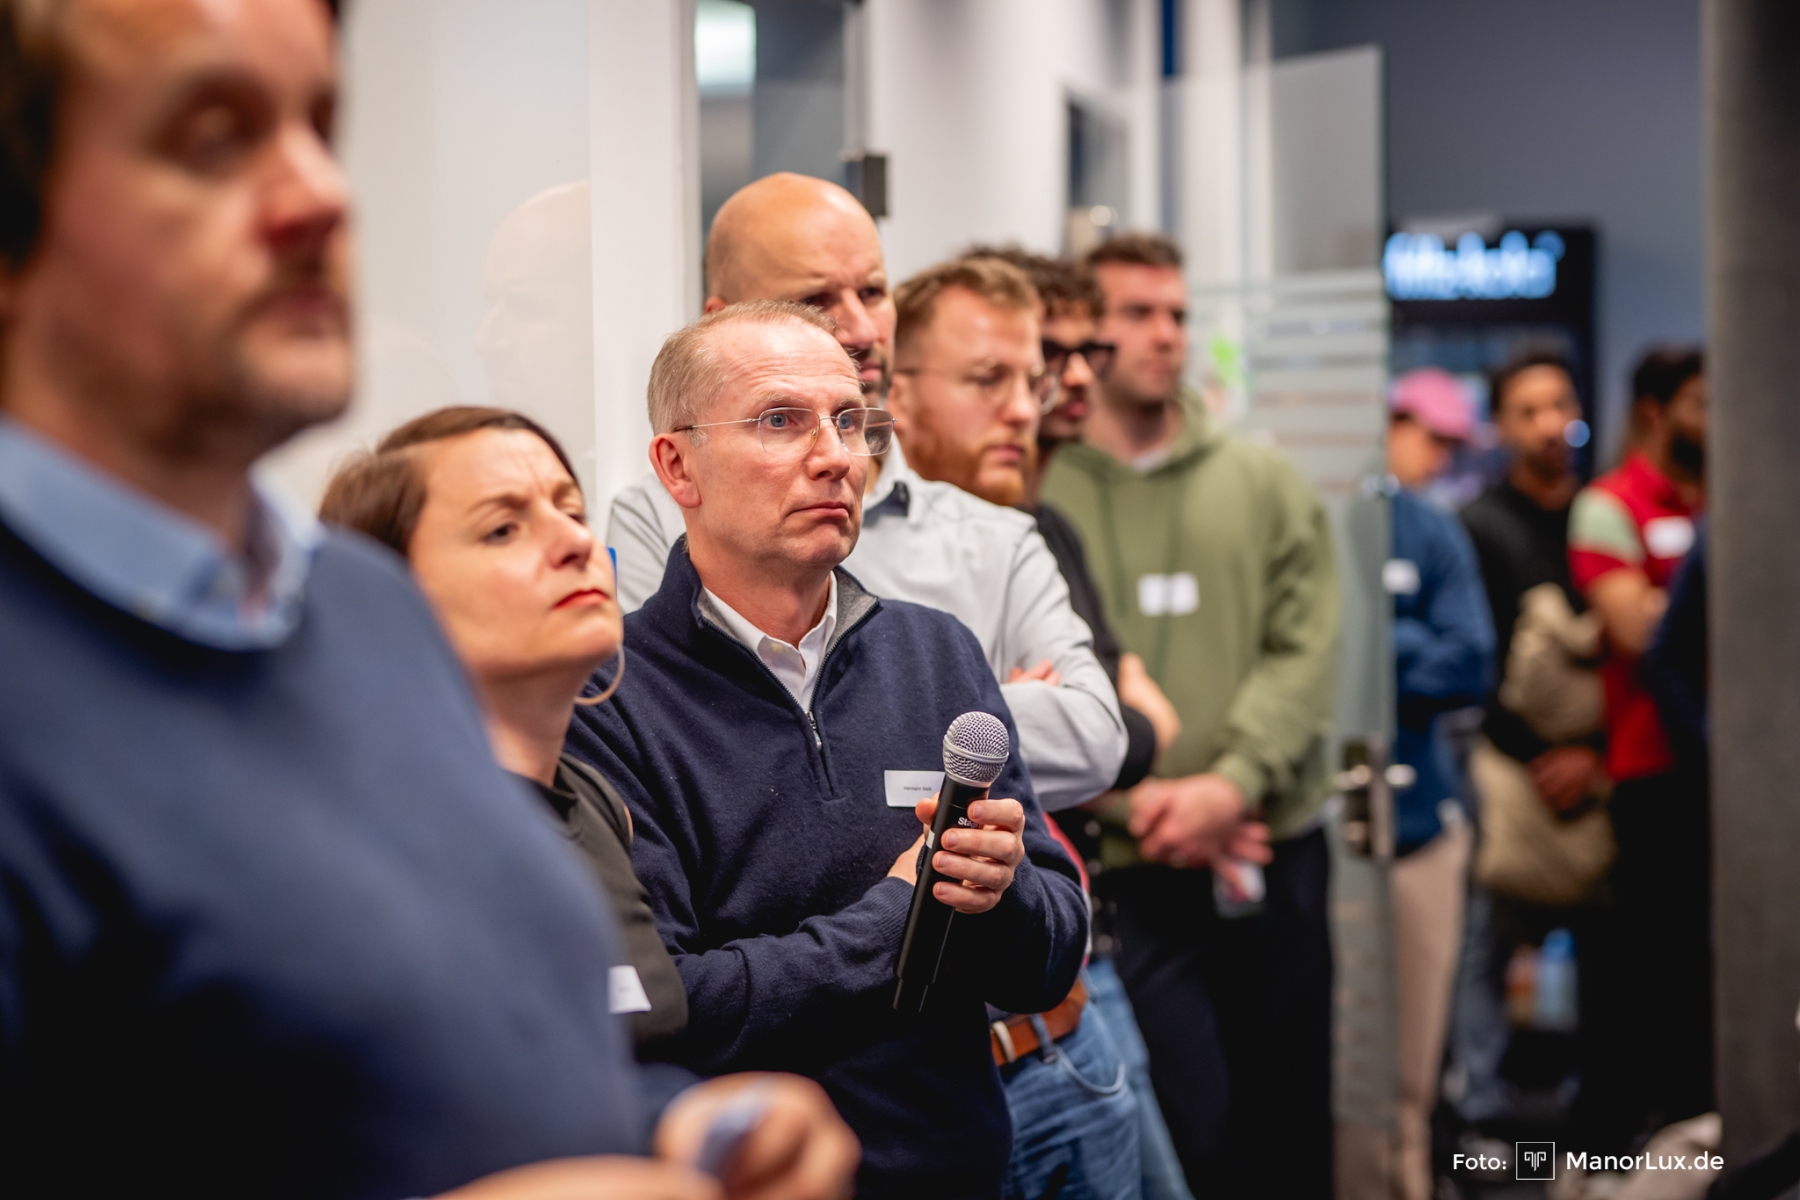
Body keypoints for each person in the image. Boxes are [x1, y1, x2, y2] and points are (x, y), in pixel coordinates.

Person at [0, 1, 857, 1196]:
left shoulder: (359, 612)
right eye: (211, 137)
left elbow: (443, 1056)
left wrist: (672, 1129)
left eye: (319, 125)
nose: (318, 194)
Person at [566, 301, 1090, 1200]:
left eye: (850, 421)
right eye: (781, 421)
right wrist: (898, 915)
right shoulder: (609, 698)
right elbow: (676, 1008)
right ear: (677, 466)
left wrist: (1001, 897)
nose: (836, 456)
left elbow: (1050, 960)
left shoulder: (935, 651)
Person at [607, 174, 1126, 815]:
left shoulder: (997, 537)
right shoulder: (659, 512)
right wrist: (966, 706)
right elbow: (660, 725)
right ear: (725, 317)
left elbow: (1094, 739)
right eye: (814, 299)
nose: (858, 326)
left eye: (874, 292)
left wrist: (878, 711)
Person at [1041, 231, 1341, 1196]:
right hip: (1125, 876)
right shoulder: (1039, 491)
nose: (1165, 334)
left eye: (1176, 313)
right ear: (1086, 338)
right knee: (1184, 1139)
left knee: (1289, 1125)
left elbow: (1306, 651)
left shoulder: (1264, 482)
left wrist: (1231, 784)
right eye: (1135, 314)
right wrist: (1146, 807)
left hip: (1266, 849)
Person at [885, 253, 1142, 1200]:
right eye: (988, 380)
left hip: (1065, 1019)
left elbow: (1102, 736)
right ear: (896, 393)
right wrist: (993, 691)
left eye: (1028, 382)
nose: (1026, 409)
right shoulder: (829, 541)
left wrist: (925, 704)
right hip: (917, 1073)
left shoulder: (1020, 534)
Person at [319, 406, 686, 1051]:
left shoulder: (597, 804)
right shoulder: (373, 836)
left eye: (572, 511)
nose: (576, 542)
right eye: (503, 530)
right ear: (388, 595)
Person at [963, 244, 1196, 1200]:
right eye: (1022, 365)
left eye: (1071, 355)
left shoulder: (1042, 529)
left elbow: (1125, 729)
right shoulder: (935, 541)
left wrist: (1073, 718)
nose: (1055, 385)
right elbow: (981, 744)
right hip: (997, 988)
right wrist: (1030, 710)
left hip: (1081, 948)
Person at [1452, 351, 1614, 1142]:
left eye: (1561, 404)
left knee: (1610, 942)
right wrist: (1534, 757)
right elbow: (1473, 660)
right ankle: (1481, 1119)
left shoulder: (1601, 514)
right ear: (1500, 427)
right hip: (1512, 768)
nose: (1551, 424)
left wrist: (1593, 755)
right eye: (1529, 410)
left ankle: (1602, 1117)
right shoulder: (1480, 526)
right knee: (1485, 940)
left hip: (1601, 767)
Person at [1568, 345, 1711, 1141]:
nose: (1716, 419)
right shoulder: (1609, 505)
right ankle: (1613, 1158)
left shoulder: (1733, 497)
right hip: (1651, 768)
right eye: (1701, 403)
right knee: (1652, 973)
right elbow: (1635, 630)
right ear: (1656, 411)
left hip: (1736, 770)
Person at [1383, 371, 1495, 1200]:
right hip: (1320, 834)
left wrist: (1376, 639)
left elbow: (1469, 660)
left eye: (1455, 446)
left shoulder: (1431, 529)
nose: (1441, 460)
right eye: (1433, 439)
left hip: (1421, 823)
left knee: (1412, 1073)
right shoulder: (1325, 521)